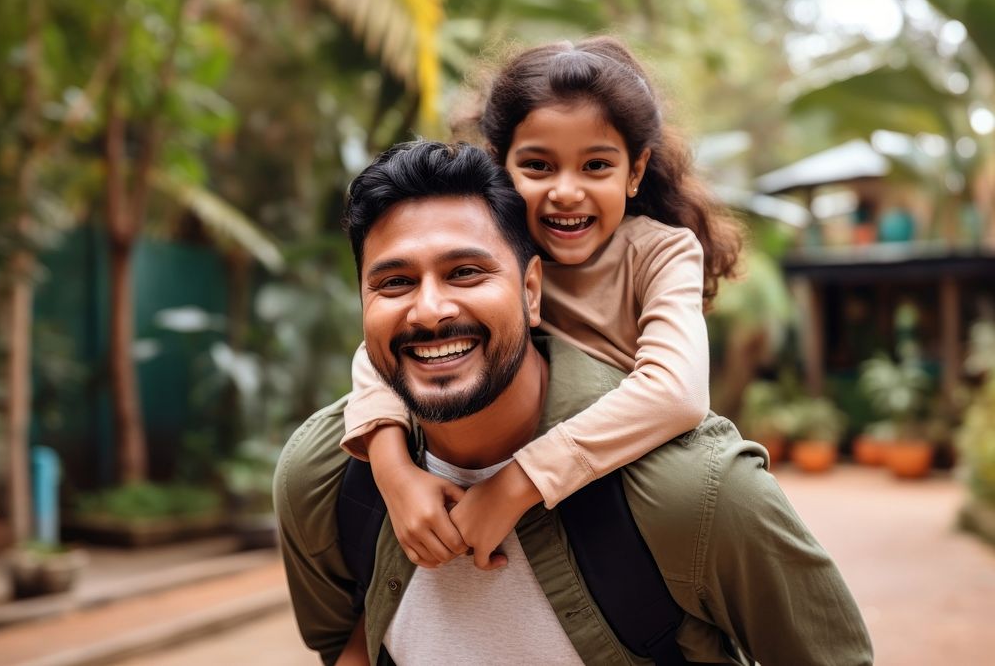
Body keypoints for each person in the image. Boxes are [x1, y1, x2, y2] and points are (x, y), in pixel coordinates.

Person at [274, 140, 873, 665]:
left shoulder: (697, 492)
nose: (429, 310)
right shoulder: (325, 479)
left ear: (531, 291)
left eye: (465, 273)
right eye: (394, 283)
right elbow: (349, 641)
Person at [341, 36, 744, 571]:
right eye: (538, 166)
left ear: (636, 171)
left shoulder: (659, 252)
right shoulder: (490, 258)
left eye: (596, 166)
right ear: (499, 166)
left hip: (616, 487)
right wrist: (394, 475)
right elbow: (383, 350)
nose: (566, 192)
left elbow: (677, 393)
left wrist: (515, 485)